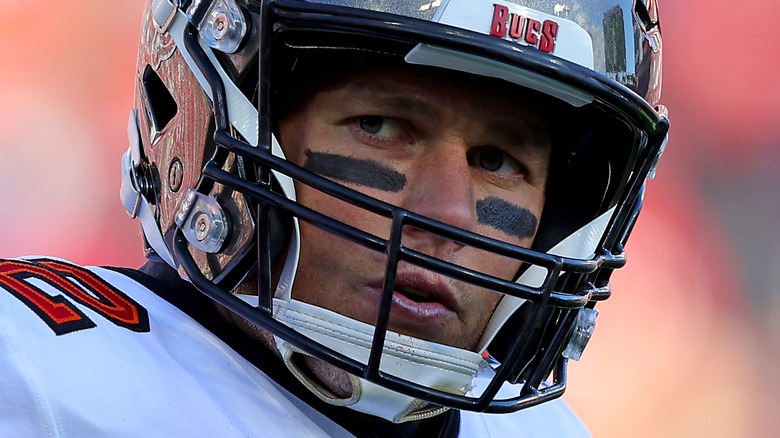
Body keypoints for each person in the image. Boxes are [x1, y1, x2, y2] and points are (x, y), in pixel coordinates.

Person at [0, 0, 668, 436]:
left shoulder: (545, 432)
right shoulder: (35, 374)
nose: (449, 213)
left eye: (497, 160)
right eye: (380, 126)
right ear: (209, 121)